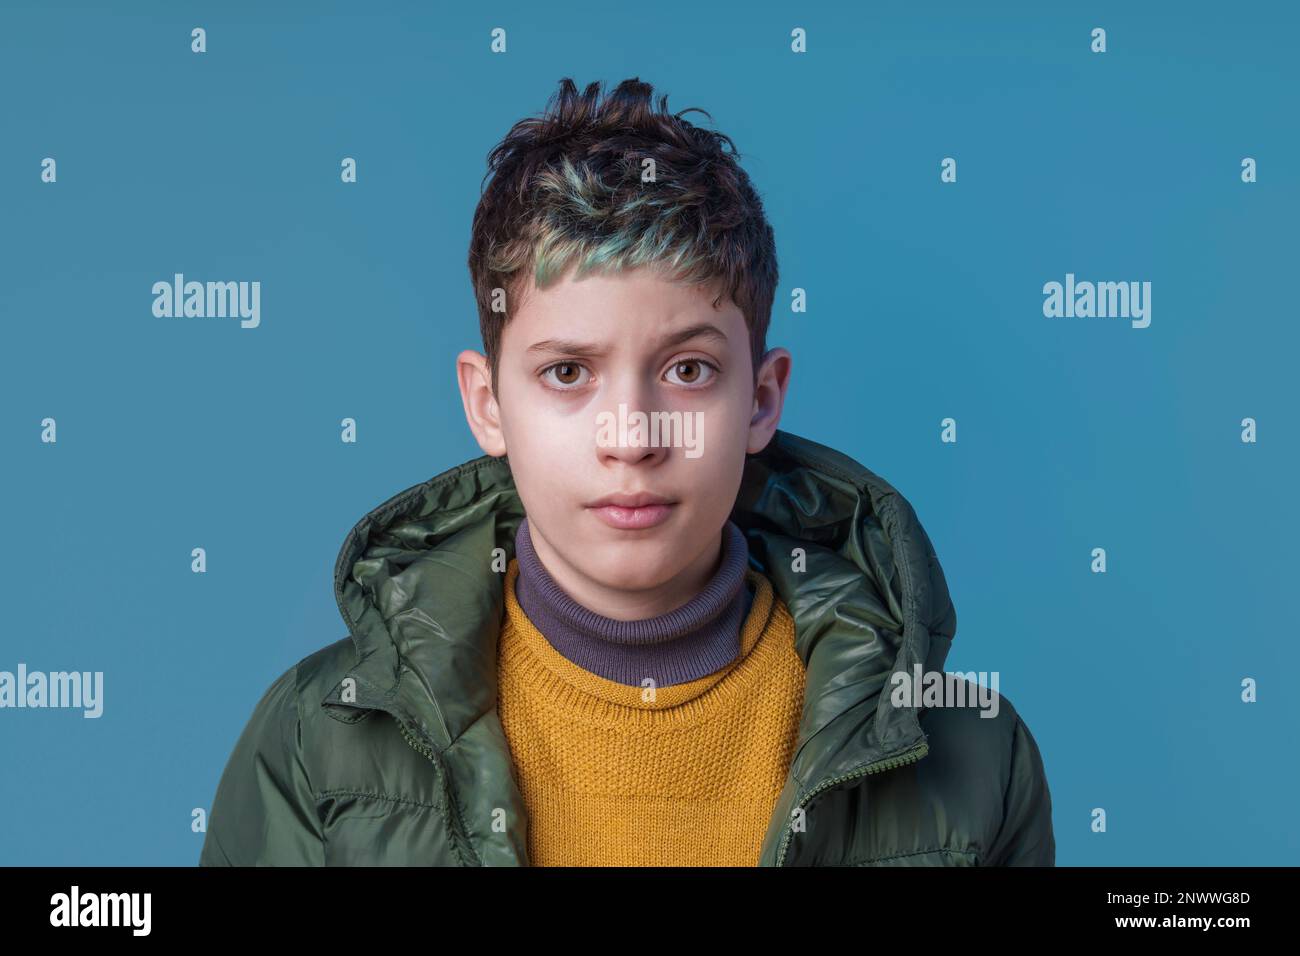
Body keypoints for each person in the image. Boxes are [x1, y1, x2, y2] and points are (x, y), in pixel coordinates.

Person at [199, 77, 1054, 866]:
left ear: (760, 400)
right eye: (567, 372)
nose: (632, 436)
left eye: (687, 370)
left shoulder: (975, 757)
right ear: (487, 403)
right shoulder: (320, 737)